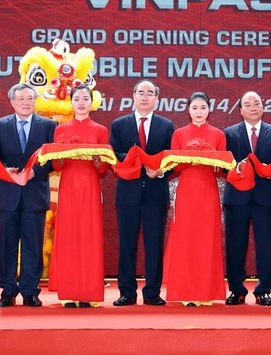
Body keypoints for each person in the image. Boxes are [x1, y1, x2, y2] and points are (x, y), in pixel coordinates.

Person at [0, 83, 57, 307]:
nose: (26, 102)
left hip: (35, 194)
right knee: (6, 244)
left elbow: (55, 159)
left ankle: (30, 291)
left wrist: (37, 171)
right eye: (21, 99)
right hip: (8, 195)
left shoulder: (48, 125)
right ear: (12, 102)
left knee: (32, 245)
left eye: (30, 98)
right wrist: (4, 170)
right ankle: (7, 290)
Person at [110, 80, 174, 306]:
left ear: (157, 99)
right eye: (140, 92)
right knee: (127, 243)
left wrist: (161, 170)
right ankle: (126, 292)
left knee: (154, 244)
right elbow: (113, 155)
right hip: (128, 193)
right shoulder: (119, 124)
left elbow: (173, 158)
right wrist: (133, 161)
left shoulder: (167, 126)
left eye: (150, 93)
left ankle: (152, 293)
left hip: (155, 193)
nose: (145, 97)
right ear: (133, 96)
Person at [164, 91, 226, 306]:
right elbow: (174, 165)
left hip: (209, 189)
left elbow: (221, 167)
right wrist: (190, 158)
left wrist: (210, 159)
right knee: (186, 238)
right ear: (188, 110)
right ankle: (186, 291)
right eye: (194, 108)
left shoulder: (218, 134)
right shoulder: (179, 134)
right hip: (186, 190)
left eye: (203, 108)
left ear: (209, 109)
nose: (199, 112)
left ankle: (206, 291)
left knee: (207, 238)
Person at [48, 85, 108, 308]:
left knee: (89, 235)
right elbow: (56, 165)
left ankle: (88, 293)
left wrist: (96, 158)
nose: (81, 102)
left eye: (85, 98)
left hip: (90, 187)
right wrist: (63, 152)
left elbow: (102, 169)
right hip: (69, 187)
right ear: (71, 102)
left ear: (91, 102)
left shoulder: (100, 130)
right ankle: (69, 292)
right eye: (77, 99)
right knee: (68, 236)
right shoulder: (60, 130)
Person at [222, 91, 271, 306]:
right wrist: (236, 169)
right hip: (236, 198)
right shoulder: (229, 133)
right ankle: (236, 290)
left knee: (265, 246)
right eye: (247, 104)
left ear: (263, 107)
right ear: (240, 110)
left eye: (257, 103)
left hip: (265, 198)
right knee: (235, 246)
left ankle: (263, 290)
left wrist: (269, 172)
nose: (253, 107)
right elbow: (222, 164)